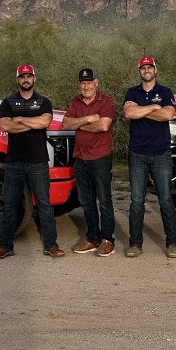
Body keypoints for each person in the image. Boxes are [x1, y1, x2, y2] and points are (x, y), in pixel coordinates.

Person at [0, 64, 64, 260]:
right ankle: (5, 246)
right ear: (17, 80)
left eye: (29, 76)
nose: (26, 80)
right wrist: (32, 124)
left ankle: (51, 245)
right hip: (14, 161)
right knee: (11, 204)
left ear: (34, 78)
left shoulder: (43, 102)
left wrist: (20, 119)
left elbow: (44, 122)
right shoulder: (8, 102)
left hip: (38, 161)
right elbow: (5, 126)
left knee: (44, 204)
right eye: (22, 77)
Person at [122, 56, 176, 259]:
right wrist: (154, 108)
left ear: (155, 69)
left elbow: (168, 116)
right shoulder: (132, 92)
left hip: (161, 154)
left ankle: (172, 243)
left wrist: (141, 111)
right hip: (137, 154)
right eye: (143, 68)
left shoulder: (165, 92)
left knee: (165, 200)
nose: (146, 71)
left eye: (149, 67)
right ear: (139, 71)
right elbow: (128, 113)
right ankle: (135, 244)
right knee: (136, 201)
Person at [62, 68, 117, 257]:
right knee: (86, 202)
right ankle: (93, 238)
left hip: (100, 157)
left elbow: (103, 125)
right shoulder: (75, 101)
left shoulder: (106, 101)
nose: (86, 86)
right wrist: (87, 119)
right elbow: (66, 124)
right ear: (79, 84)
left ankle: (108, 239)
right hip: (81, 158)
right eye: (83, 83)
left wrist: (79, 124)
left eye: (89, 82)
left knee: (104, 200)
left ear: (96, 83)